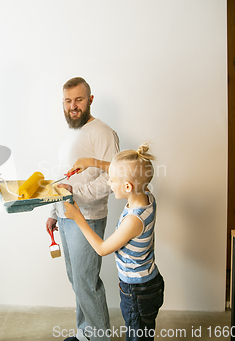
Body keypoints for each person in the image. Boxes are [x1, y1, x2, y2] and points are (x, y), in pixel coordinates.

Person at [64, 144, 164, 341]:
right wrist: (91, 162)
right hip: (148, 283)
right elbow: (126, 171)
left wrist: (78, 218)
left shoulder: (133, 221)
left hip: (137, 292)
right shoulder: (146, 195)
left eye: (112, 181)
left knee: (137, 337)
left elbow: (101, 249)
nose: (109, 183)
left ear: (127, 187)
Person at [46, 77, 119, 341]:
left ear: (90, 100)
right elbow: (66, 179)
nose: (73, 106)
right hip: (67, 216)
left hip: (88, 217)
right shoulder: (71, 132)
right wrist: (54, 212)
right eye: (68, 101)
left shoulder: (102, 132)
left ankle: (99, 339)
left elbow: (112, 178)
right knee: (76, 279)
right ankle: (84, 334)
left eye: (78, 99)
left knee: (87, 282)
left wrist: (75, 196)